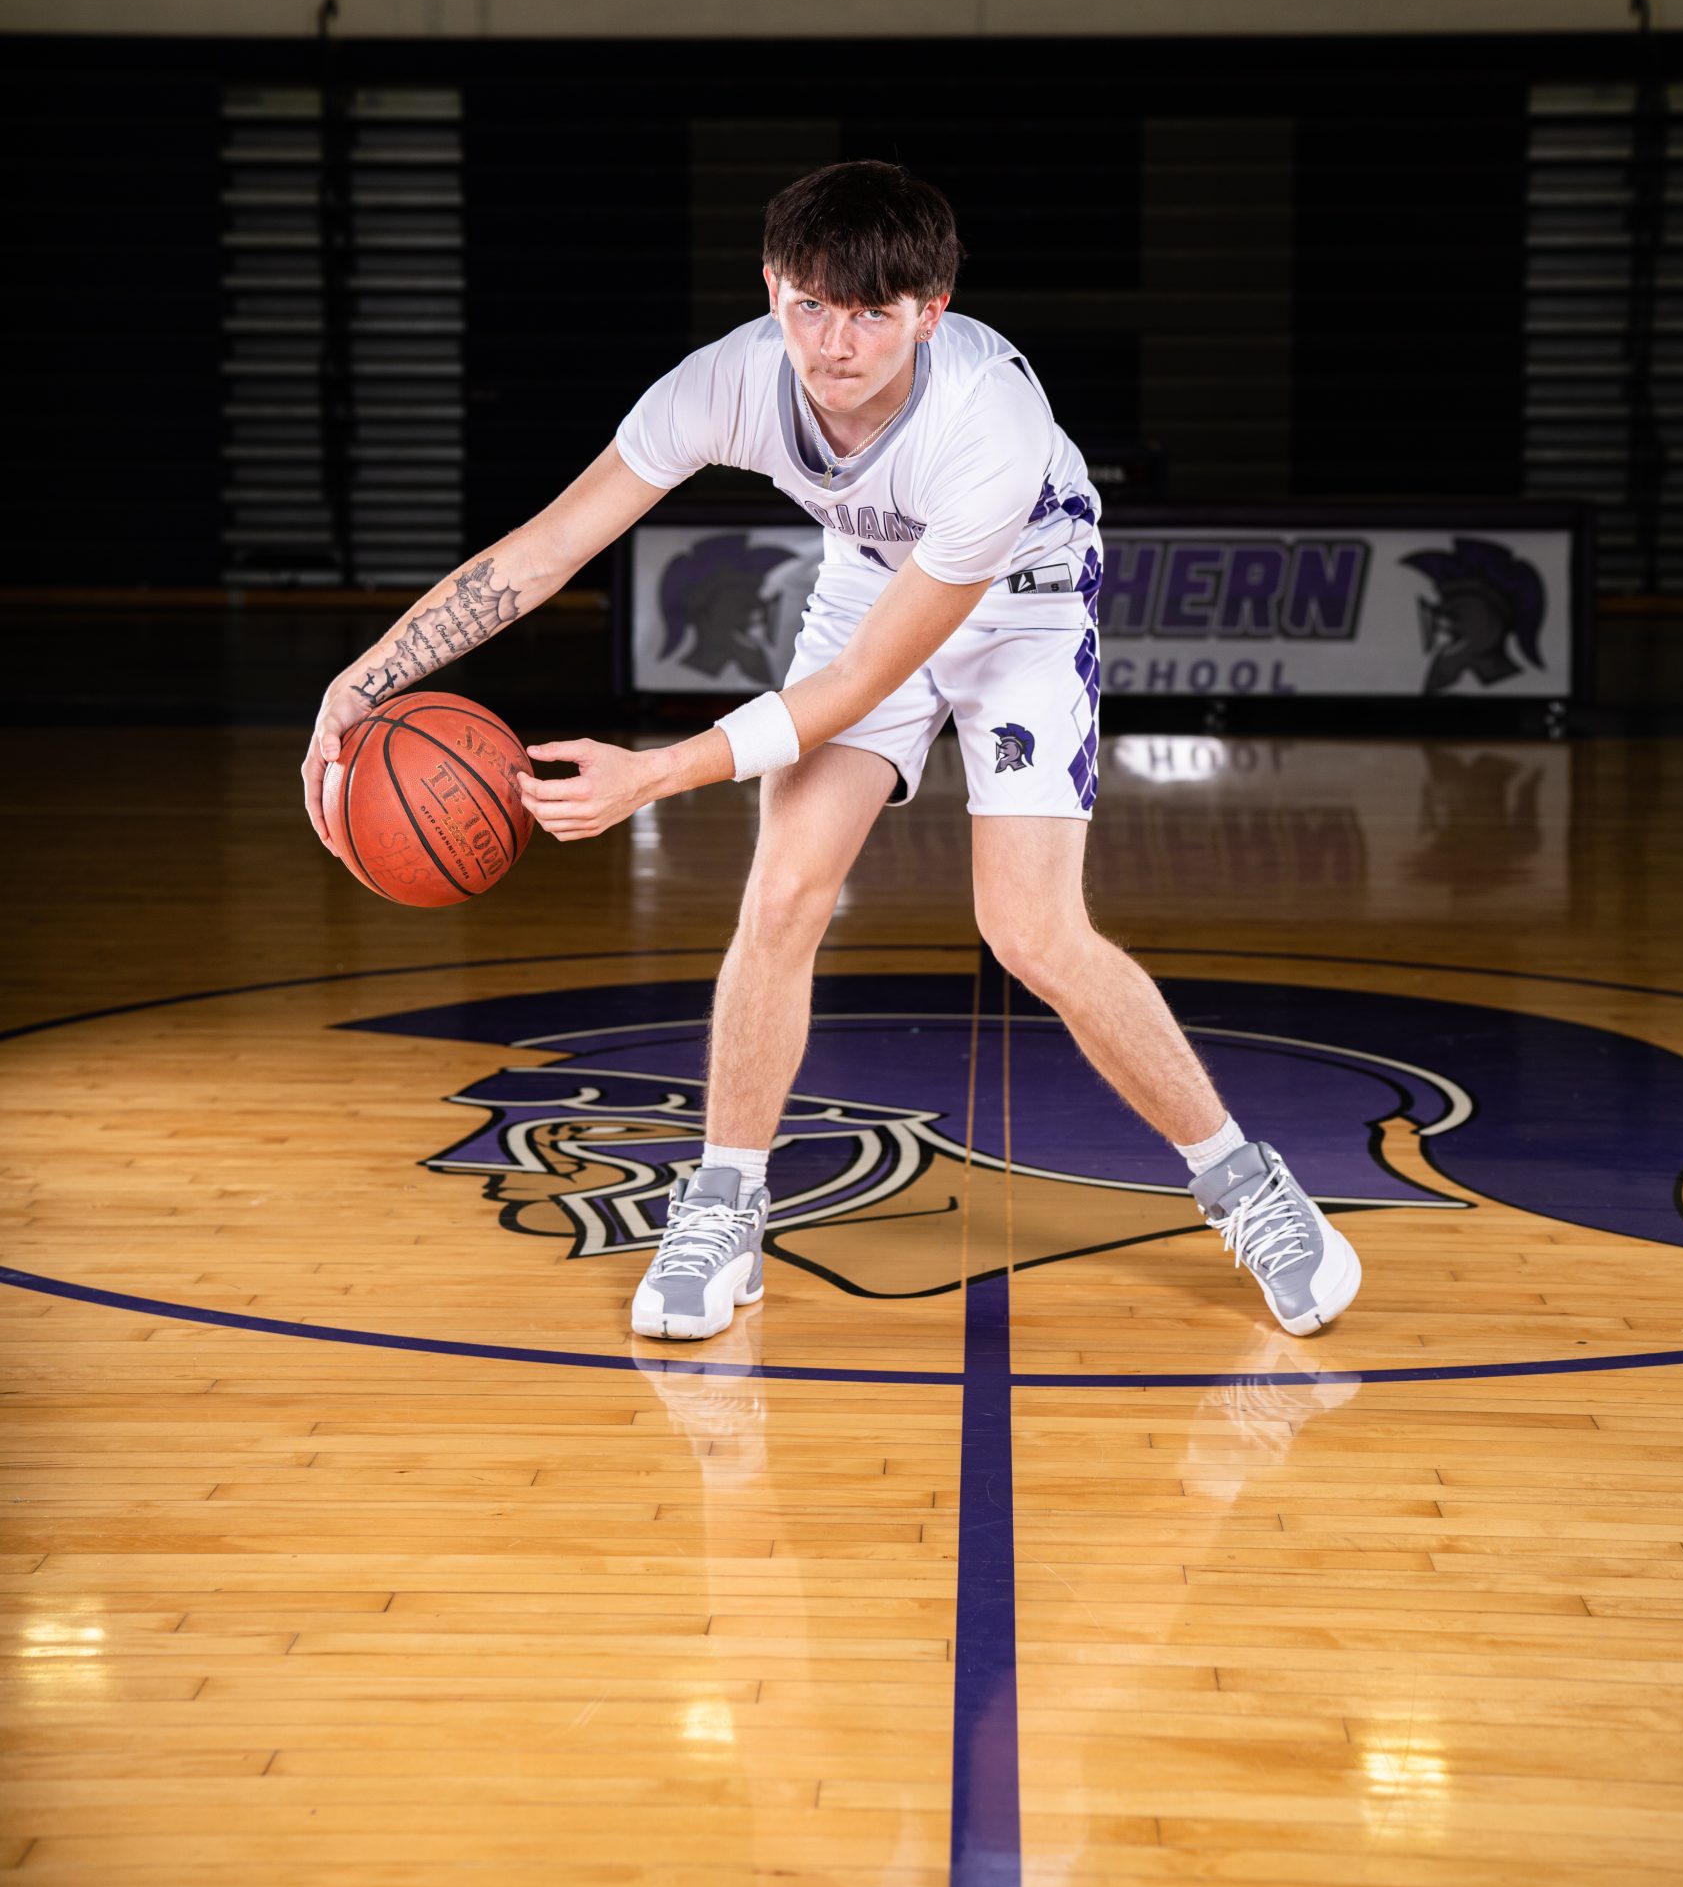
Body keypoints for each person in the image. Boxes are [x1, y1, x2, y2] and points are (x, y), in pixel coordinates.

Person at [303, 162, 1361, 1346]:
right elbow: (547, 549)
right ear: (772, 288)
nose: (834, 343)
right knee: (781, 898)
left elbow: (858, 683)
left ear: (930, 311)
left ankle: (1245, 1185)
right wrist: (363, 680)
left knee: (1031, 929)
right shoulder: (729, 381)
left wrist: (652, 775)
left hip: (1024, 599)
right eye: (810, 304)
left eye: (870, 312)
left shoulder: (987, 424)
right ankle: (722, 1205)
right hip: (870, 584)